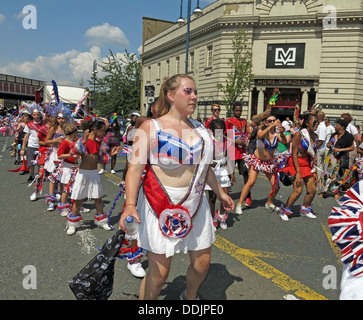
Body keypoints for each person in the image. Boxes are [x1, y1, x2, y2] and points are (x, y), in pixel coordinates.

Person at [118, 74, 234, 300]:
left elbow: (205, 168)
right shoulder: (151, 127)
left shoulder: (201, 129)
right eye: (188, 91)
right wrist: (130, 205)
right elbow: (134, 169)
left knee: (202, 264)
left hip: (194, 204)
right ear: (171, 95)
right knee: (159, 274)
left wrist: (220, 193)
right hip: (158, 205)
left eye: (195, 92)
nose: (194, 96)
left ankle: (189, 297)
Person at [66, 117, 121, 235]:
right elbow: (73, 152)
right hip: (83, 173)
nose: (104, 133)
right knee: (78, 200)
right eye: (102, 131)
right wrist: (84, 142)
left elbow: (101, 159)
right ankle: (72, 224)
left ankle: (101, 221)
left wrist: (110, 154)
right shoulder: (82, 140)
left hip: (94, 173)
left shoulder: (99, 142)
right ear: (95, 129)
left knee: (98, 198)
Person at [235, 114, 288, 215]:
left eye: (274, 120)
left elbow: (285, 141)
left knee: (276, 185)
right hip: (257, 160)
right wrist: (272, 127)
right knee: (251, 182)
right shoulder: (261, 131)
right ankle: (239, 204)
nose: (272, 122)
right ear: (265, 122)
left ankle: (269, 202)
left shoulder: (276, 135)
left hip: (269, 162)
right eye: (270, 121)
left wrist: (282, 133)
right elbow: (260, 136)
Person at [279, 112, 319, 221]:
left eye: (318, 122)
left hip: (307, 164)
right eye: (314, 122)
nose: (317, 124)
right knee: (298, 190)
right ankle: (284, 210)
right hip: (296, 163)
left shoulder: (316, 136)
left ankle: (305, 209)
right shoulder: (299, 135)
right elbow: (294, 153)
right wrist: (298, 173)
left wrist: (314, 171)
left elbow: (313, 155)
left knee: (312, 189)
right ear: (307, 123)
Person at [205, 118, 233, 230]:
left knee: (225, 197)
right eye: (217, 131)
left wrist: (232, 173)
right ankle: (212, 219)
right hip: (211, 170)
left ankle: (221, 216)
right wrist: (209, 162)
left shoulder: (226, 141)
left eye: (221, 131)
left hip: (222, 170)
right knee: (212, 198)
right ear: (212, 130)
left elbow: (229, 157)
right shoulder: (208, 140)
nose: (219, 133)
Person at [226, 102, 251, 206]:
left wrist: (246, 142)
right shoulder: (229, 122)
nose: (238, 112)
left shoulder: (244, 121)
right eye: (236, 110)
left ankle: (248, 196)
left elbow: (245, 134)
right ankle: (226, 196)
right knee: (228, 175)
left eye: (240, 110)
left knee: (246, 173)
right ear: (233, 111)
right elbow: (223, 136)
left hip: (242, 151)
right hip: (231, 150)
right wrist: (235, 142)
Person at [44, 106, 67, 211]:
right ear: (56, 119)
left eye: (62, 118)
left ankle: (63, 202)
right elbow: (46, 141)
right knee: (53, 179)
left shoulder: (68, 129)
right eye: (59, 118)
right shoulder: (53, 128)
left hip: (64, 156)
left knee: (63, 179)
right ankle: (51, 201)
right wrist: (56, 140)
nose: (61, 120)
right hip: (54, 155)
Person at [57, 122, 81, 217]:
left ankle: (77, 205)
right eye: (76, 131)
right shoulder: (64, 142)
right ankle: (64, 207)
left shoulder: (75, 141)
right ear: (72, 132)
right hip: (67, 167)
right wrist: (71, 155)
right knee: (66, 189)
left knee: (76, 187)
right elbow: (59, 156)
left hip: (76, 166)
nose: (77, 133)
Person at [20, 105, 44, 183]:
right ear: (32, 115)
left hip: (41, 145)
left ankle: (40, 176)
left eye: (38, 114)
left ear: (40, 115)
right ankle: (32, 176)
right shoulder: (29, 125)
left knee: (41, 163)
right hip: (31, 146)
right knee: (30, 163)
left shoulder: (44, 124)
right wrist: (23, 148)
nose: (36, 116)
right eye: (35, 114)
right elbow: (26, 137)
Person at [327, 119, 355, 186]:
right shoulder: (334, 134)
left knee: (339, 174)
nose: (335, 127)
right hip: (331, 156)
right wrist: (329, 145)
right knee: (328, 173)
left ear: (342, 127)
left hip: (341, 157)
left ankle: (336, 190)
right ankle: (325, 189)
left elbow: (352, 147)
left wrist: (340, 150)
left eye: (337, 126)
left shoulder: (348, 136)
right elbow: (328, 143)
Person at [315, 111, 327, 192]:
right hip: (318, 149)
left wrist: (314, 148)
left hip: (320, 149)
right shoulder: (319, 125)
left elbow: (321, 140)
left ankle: (317, 182)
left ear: (319, 117)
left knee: (319, 166)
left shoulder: (322, 127)